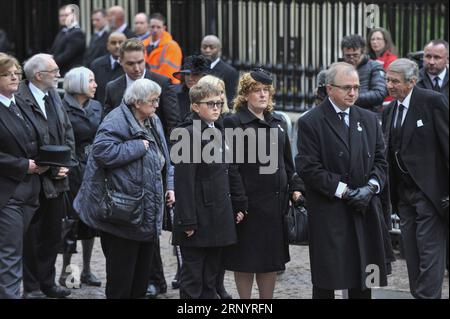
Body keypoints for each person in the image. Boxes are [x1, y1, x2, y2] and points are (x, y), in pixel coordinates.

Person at [74, 78, 175, 299]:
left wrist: (169, 186)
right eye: (153, 100)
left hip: (146, 212)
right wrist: (136, 146)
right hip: (123, 214)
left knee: (140, 281)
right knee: (121, 282)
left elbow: (164, 157)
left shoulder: (153, 120)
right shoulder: (116, 120)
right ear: (137, 102)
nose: (157, 105)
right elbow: (101, 152)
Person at [296, 62, 389, 299]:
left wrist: (371, 188)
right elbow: (309, 167)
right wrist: (344, 191)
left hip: (364, 209)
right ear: (329, 89)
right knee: (328, 279)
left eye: (357, 87)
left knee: (364, 280)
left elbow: (381, 161)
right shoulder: (311, 121)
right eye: (347, 87)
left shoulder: (368, 119)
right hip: (331, 211)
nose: (353, 93)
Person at [222, 68, 303, 299]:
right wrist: (239, 201)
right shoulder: (234, 122)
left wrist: (296, 188)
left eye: (266, 90)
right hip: (249, 204)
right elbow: (232, 166)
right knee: (245, 260)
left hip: (275, 205)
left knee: (270, 262)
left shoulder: (277, 121)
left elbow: (288, 162)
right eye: (256, 91)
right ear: (245, 94)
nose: (262, 95)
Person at [171, 82, 244, 299]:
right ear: (195, 106)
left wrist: (239, 204)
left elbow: (229, 171)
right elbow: (184, 182)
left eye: (219, 103)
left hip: (218, 215)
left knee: (211, 279)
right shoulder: (186, 133)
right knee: (193, 280)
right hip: (197, 218)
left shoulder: (219, 129)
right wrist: (187, 220)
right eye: (210, 103)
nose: (216, 108)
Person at [382, 58, 448, 299]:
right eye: (387, 79)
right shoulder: (389, 110)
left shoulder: (432, 102)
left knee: (429, 253)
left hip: (431, 194)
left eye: (395, 81)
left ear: (411, 82)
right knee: (412, 252)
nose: (389, 85)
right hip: (404, 196)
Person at [17, 53, 76, 299]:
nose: (58, 74)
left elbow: (66, 130)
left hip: (57, 178)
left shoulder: (53, 95)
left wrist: (67, 163)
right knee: (31, 236)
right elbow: (23, 138)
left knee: (53, 233)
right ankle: (31, 286)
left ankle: (47, 282)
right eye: (54, 71)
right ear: (39, 76)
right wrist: (46, 166)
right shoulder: (19, 98)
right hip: (31, 178)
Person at [0, 53, 47, 298]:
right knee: (9, 254)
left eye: (16, 73)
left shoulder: (19, 104)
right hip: (7, 192)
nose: (14, 77)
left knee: (15, 251)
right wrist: (22, 165)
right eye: (7, 74)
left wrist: (51, 161)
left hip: (31, 189)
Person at [58, 67, 102, 288]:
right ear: (79, 84)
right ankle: (66, 271)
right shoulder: (61, 107)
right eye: (91, 81)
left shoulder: (96, 106)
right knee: (70, 222)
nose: (95, 85)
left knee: (89, 222)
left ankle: (86, 269)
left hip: (92, 169)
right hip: (71, 169)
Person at [104, 38, 180, 139]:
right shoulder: (112, 87)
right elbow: (107, 124)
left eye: (140, 62)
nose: (137, 68)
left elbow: (173, 123)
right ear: (120, 61)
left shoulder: (162, 83)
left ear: (145, 58)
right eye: (130, 64)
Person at [341, 34, 387, 113]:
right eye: (348, 56)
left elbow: (379, 94)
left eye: (355, 55)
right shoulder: (339, 68)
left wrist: (349, 97)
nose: (351, 58)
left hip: (367, 114)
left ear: (363, 52)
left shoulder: (374, 67)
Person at [142, 13, 182, 84]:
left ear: (164, 28)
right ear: (148, 27)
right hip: (149, 84)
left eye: (158, 27)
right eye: (152, 27)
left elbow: (168, 72)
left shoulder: (172, 46)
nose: (155, 30)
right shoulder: (143, 44)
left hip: (169, 85)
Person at [90, 32, 126, 106]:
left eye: (121, 42)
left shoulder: (132, 66)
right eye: (113, 43)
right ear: (108, 46)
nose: (117, 46)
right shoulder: (96, 65)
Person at [200, 35, 239, 103]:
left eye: (211, 47)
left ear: (219, 49)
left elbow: (231, 99)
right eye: (204, 47)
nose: (207, 50)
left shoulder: (230, 72)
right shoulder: (196, 68)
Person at [50, 4, 86, 76]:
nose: (63, 18)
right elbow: (54, 51)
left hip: (71, 74)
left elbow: (67, 55)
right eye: (61, 16)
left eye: (66, 15)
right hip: (61, 72)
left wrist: (50, 64)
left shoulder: (77, 33)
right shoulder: (63, 31)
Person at [173, 55, 211, 121]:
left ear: (204, 77)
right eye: (187, 74)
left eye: (195, 74)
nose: (190, 78)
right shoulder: (176, 96)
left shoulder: (212, 96)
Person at [367, 27, 398, 103]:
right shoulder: (367, 58)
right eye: (372, 39)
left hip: (386, 100)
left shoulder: (392, 59)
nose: (375, 42)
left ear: (386, 41)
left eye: (378, 39)